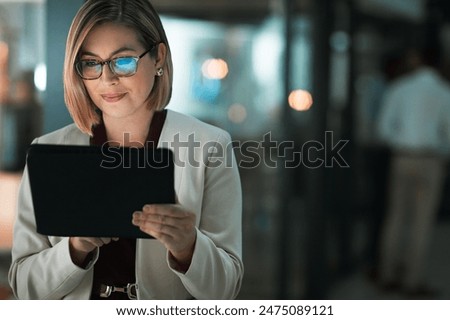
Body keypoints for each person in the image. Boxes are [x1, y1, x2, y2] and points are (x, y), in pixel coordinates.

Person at [8, 0, 243, 300]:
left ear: (158, 57)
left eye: (123, 61)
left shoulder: (210, 146)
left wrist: (189, 247)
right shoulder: (49, 151)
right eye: (92, 63)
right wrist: (75, 247)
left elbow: (226, 291)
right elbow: (24, 288)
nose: (107, 79)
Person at [376, 47, 450, 297]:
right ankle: (412, 280)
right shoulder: (443, 92)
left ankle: (387, 275)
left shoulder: (400, 88)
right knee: (421, 221)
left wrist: (403, 142)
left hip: (402, 157)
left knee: (396, 216)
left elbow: (383, 129)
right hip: (430, 159)